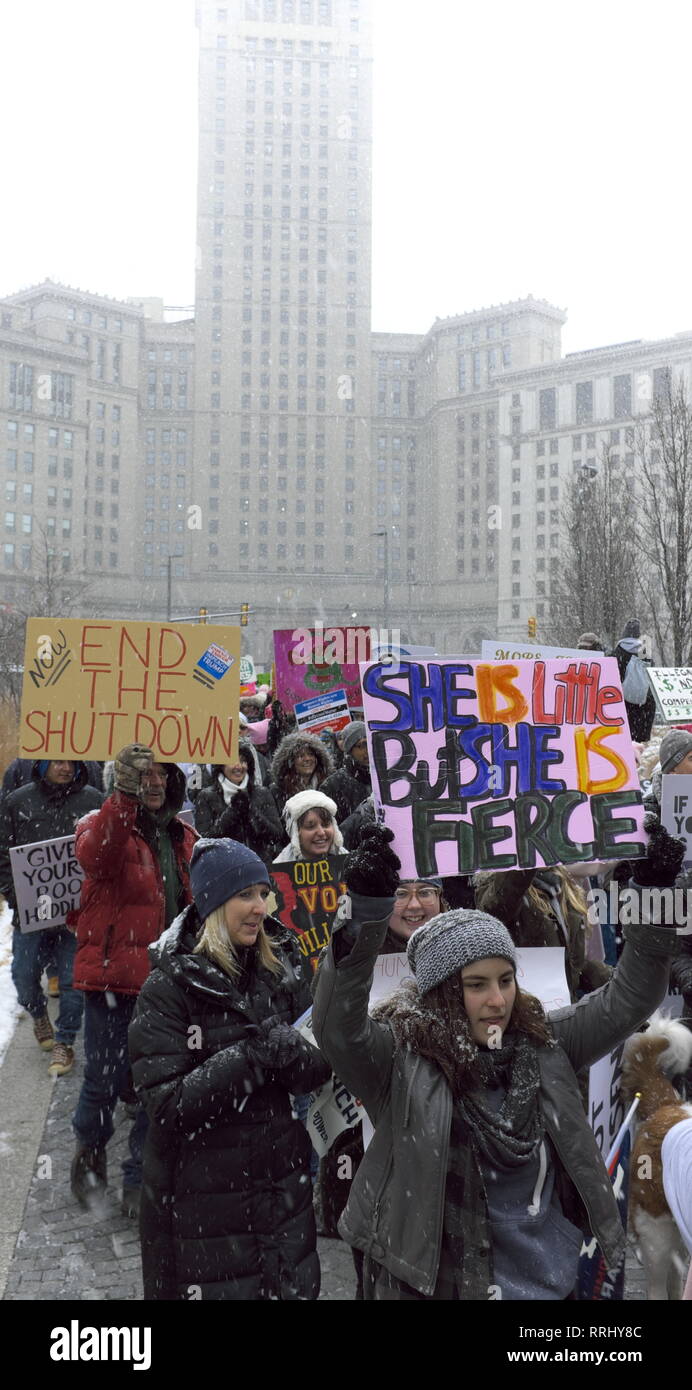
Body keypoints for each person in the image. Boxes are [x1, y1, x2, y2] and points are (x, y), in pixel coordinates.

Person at [312, 823, 682, 1301]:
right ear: (444, 992)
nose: (497, 999)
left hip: (550, 1288)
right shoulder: (401, 1061)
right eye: (476, 984)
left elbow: (632, 996)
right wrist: (364, 911)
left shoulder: (546, 1042)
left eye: (506, 980)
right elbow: (335, 1027)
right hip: (440, 1286)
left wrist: (651, 895)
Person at [128, 838, 331, 1300]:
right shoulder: (167, 988)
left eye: (263, 893)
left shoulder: (281, 967)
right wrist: (251, 1056)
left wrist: (287, 1051)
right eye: (246, 895)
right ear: (214, 904)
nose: (260, 907)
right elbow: (168, 1105)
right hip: (201, 1203)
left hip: (279, 1189)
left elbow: (316, 1068)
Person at [70, 745, 197, 1218]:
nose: (153, 782)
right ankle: (89, 1155)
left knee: (156, 1084)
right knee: (103, 1081)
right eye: (142, 775)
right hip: (112, 982)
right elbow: (98, 855)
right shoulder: (98, 825)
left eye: (162, 774)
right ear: (123, 780)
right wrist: (121, 796)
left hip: (166, 986)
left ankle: (139, 1177)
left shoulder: (184, 835)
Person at [0, 760, 103, 1076]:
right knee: (23, 974)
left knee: (74, 980)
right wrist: (17, 896)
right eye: (56, 762)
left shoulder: (94, 801)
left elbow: (105, 852)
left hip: (77, 915)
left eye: (70, 762)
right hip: (31, 914)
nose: (64, 767)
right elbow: (4, 852)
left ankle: (66, 1040)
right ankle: (38, 1014)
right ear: (42, 766)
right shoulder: (17, 801)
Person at [473, 863, 611, 1000]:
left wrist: (617, 978)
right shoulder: (499, 885)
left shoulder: (561, 882)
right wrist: (527, 862)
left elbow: (575, 965)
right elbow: (498, 906)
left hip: (560, 1006)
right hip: (525, 1009)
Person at [193, 742, 285, 865]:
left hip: (260, 866)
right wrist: (232, 812)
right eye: (232, 761)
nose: (238, 766)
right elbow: (205, 841)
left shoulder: (262, 793)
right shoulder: (206, 796)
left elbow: (276, 835)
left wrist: (251, 811)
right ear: (221, 766)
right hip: (226, 869)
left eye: (243, 761)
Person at [610, 620, 656, 742]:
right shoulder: (645, 652)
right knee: (635, 745)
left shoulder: (618, 651)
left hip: (622, 704)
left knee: (622, 742)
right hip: (641, 707)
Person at [270, 730, 334, 816]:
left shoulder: (329, 784)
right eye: (300, 756)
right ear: (291, 761)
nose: (307, 759)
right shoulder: (279, 790)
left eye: (311, 754)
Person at [321, 721, 371, 823]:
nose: (368, 750)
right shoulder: (332, 785)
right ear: (350, 750)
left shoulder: (384, 776)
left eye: (370, 743)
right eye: (362, 745)